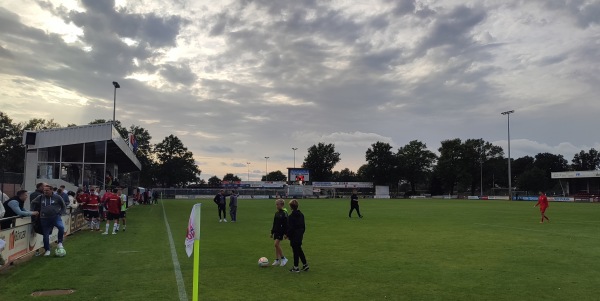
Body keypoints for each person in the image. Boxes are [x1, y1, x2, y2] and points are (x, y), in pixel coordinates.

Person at [30, 185, 66, 256]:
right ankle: (47, 250)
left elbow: (63, 206)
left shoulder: (57, 197)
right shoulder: (40, 197)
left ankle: (60, 243)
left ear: (51, 190)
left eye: (47, 190)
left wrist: (60, 213)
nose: (45, 192)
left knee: (61, 227)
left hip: (55, 217)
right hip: (44, 218)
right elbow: (32, 202)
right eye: (44, 190)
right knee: (46, 235)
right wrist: (32, 211)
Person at [287, 199, 309, 273]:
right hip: (300, 235)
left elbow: (291, 228)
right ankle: (305, 264)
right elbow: (303, 226)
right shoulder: (301, 215)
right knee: (299, 249)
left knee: (295, 251)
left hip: (294, 236)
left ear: (291, 207)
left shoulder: (291, 217)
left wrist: (287, 235)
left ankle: (296, 267)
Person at [270, 199, 288, 267]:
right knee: (276, 245)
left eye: (278, 204)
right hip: (276, 231)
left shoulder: (284, 213)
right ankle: (277, 260)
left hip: (281, 231)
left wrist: (286, 233)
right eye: (276, 204)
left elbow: (286, 224)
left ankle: (283, 258)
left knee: (276, 244)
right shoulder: (276, 213)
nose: (276, 206)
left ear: (282, 205)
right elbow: (274, 223)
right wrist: (272, 232)